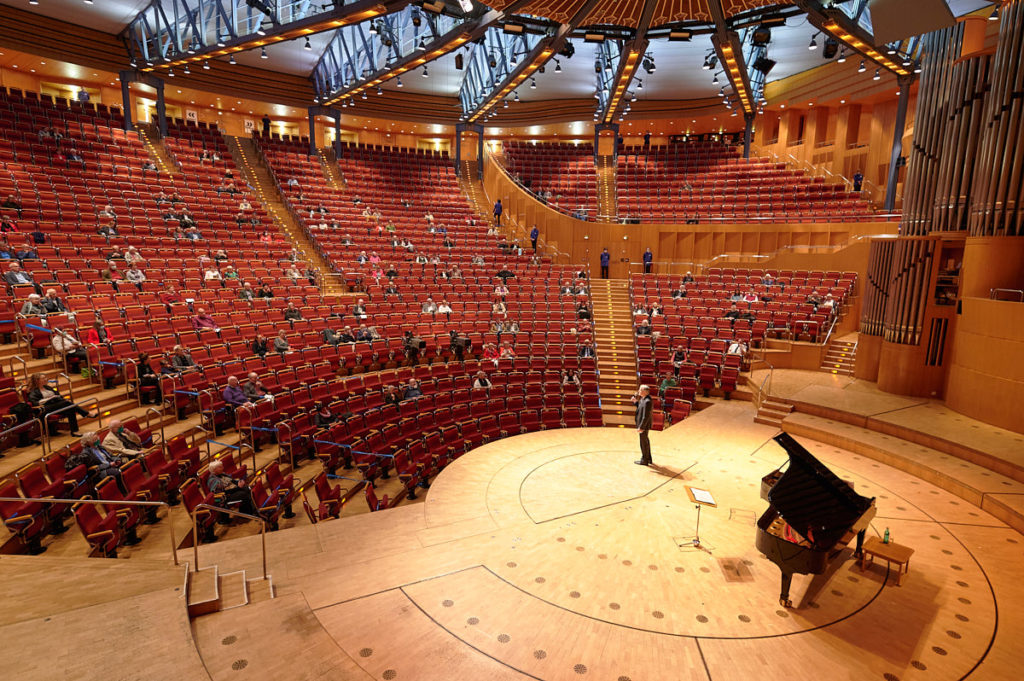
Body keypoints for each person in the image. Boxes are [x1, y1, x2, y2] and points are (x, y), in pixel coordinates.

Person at [26, 373, 96, 436]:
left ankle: (75, 431)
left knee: (70, 409)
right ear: (37, 381)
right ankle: (86, 413)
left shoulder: (48, 387)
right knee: (66, 403)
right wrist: (49, 399)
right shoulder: (33, 391)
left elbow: (58, 395)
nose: (46, 379)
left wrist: (56, 398)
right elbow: (35, 402)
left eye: (45, 377)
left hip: (56, 405)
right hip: (45, 409)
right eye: (43, 378)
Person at [632, 384, 653, 466]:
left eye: (640, 390)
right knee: (645, 442)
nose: (638, 391)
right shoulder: (643, 399)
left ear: (644, 391)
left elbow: (646, 416)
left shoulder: (647, 401)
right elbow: (640, 408)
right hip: (643, 424)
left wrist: (641, 427)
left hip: (644, 425)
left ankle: (644, 460)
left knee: (643, 443)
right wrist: (635, 402)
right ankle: (648, 458)